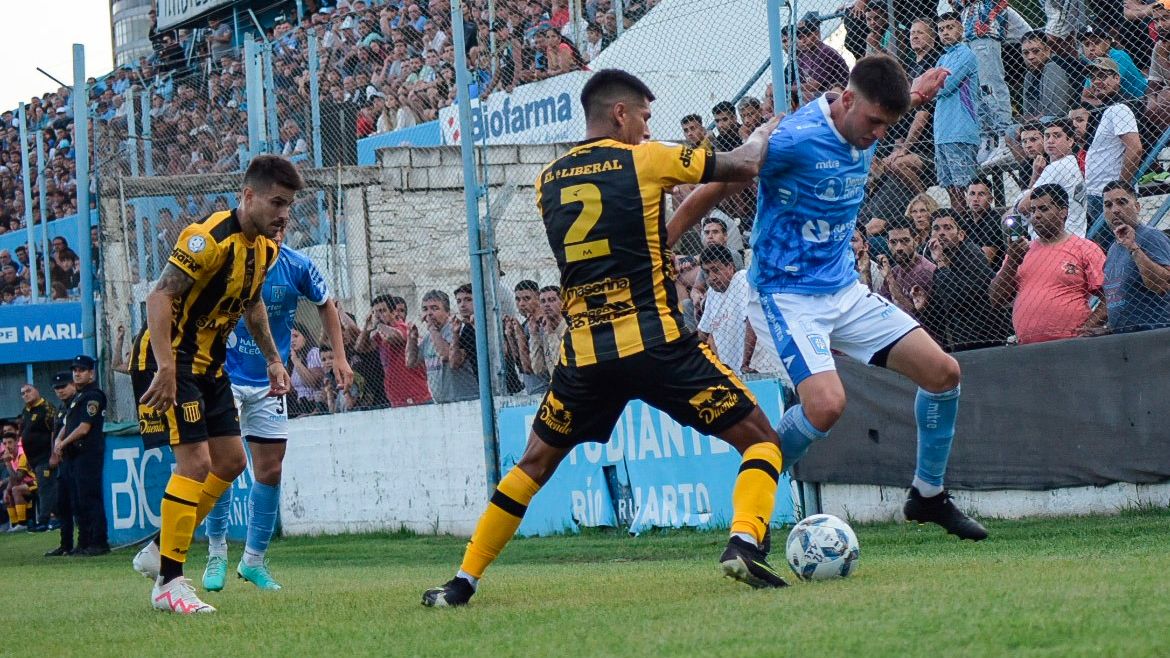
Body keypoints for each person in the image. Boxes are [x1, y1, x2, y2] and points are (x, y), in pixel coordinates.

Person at [423, 68, 788, 608]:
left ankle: (462, 581)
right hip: (657, 344)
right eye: (644, 116)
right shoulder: (646, 158)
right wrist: (764, 131)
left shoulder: (547, 180)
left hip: (585, 357)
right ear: (620, 114)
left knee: (532, 465)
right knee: (760, 440)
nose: (648, 128)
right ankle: (744, 541)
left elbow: (622, 237)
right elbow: (746, 164)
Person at [673, 55, 988, 542]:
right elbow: (719, 186)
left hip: (843, 290)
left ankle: (928, 494)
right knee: (825, 405)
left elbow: (891, 101)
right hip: (786, 293)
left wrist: (919, 92)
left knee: (944, 374)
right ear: (846, 100)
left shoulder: (866, 113)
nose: (878, 135)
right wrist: (664, 240)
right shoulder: (795, 140)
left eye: (887, 125)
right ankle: (753, 511)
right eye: (874, 122)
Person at [128, 155, 300, 615]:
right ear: (248, 195)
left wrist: (273, 359)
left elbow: (252, 303)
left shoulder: (266, 249)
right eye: (276, 202)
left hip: (210, 365)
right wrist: (166, 367)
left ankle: (161, 547)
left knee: (231, 461)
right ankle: (169, 582)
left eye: (289, 205)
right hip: (170, 359)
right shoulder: (206, 238)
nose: (284, 214)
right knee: (196, 463)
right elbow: (159, 296)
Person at [200, 231, 354, 593]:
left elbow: (326, 304)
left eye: (282, 223)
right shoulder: (226, 259)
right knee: (222, 464)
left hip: (272, 379)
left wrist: (341, 356)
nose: (275, 229)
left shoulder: (297, 265)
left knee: (270, 470)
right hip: (224, 377)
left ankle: (253, 561)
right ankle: (216, 553)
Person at [990, 184, 1107, 344]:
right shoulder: (1020, 251)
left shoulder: (1084, 248)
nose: (1036, 216)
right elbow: (996, 299)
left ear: (1063, 212)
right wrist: (1012, 262)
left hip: (1072, 346)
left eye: (1043, 209)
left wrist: (1087, 329)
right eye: (1033, 210)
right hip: (1028, 349)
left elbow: (1110, 295)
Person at [50, 355, 109, 555]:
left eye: (82, 370)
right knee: (78, 500)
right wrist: (59, 440)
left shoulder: (93, 396)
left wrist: (64, 442)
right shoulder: (78, 397)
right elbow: (68, 424)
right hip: (74, 455)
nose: (77, 373)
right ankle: (84, 542)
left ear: (91, 373)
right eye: (75, 370)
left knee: (90, 498)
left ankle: (98, 542)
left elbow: (84, 428)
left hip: (88, 453)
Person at [1100, 181, 1170, 333]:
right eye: (1108, 205)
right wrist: (1109, 329)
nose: (1115, 210)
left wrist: (1133, 248)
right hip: (1125, 337)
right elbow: (1120, 298)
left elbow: (1162, 285)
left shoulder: (1151, 236)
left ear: (1137, 207)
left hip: (1155, 333)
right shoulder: (1113, 249)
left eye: (1122, 202)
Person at [696, 244, 756, 375]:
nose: (712, 277)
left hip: (753, 368)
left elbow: (752, 321)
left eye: (716, 270)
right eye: (707, 272)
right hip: (731, 372)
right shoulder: (712, 292)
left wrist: (745, 364)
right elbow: (702, 332)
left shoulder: (742, 279)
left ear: (730, 267)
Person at [43, 372, 75, 557]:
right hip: (62, 461)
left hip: (74, 458)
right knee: (62, 503)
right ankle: (65, 544)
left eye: (63, 386)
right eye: (56, 388)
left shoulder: (76, 403)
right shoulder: (61, 407)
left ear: (72, 385)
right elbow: (55, 432)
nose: (60, 391)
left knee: (78, 503)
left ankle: (84, 543)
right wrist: (53, 453)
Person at [19, 384, 56, 531]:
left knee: (45, 489)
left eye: (28, 391)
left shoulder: (47, 408)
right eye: (23, 393)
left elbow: (54, 431)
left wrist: (54, 454)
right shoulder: (26, 411)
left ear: (36, 391)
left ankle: (45, 521)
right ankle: (47, 519)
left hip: (45, 457)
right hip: (33, 460)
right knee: (43, 487)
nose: (26, 395)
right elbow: (24, 433)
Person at [2, 431, 36, 532]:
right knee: (7, 492)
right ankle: (14, 524)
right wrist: (6, 490)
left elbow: (17, 479)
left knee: (15, 489)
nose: (7, 446)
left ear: (17, 442)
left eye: (10, 442)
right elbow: (13, 478)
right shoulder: (11, 455)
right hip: (25, 484)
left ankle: (22, 524)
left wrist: (8, 463)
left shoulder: (22, 455)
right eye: (5, 443)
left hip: (36, 482)